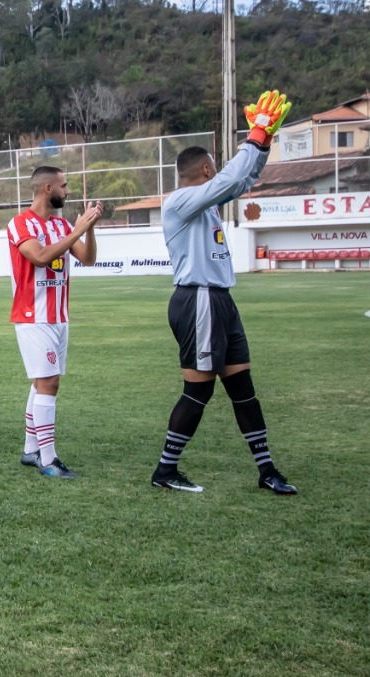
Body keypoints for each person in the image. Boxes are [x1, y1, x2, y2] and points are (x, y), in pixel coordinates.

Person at [151, 89, 297, 495]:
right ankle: (165, 470)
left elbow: (244, 178)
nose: (218, 174)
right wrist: (254, 135)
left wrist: (263, 144)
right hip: (197, 299)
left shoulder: (207, 202)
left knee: (242, 387)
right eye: (214, 168)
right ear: (204, 168)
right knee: (199, 388)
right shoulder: (180, 201)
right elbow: (233, 177)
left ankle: (267, 471)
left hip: (219, 301)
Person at [7, 167, 102, 478]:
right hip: (33, 318)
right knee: (49, 383)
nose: (68, 190)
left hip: (59, 317)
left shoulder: (61, 224)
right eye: (64, 185)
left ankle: (30, 450)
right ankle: (48, 460)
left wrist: (88, 229)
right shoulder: (20, 223)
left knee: (42, 382)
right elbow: (40, 257)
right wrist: (77, 230)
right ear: (47, 188)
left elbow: (87, 259)